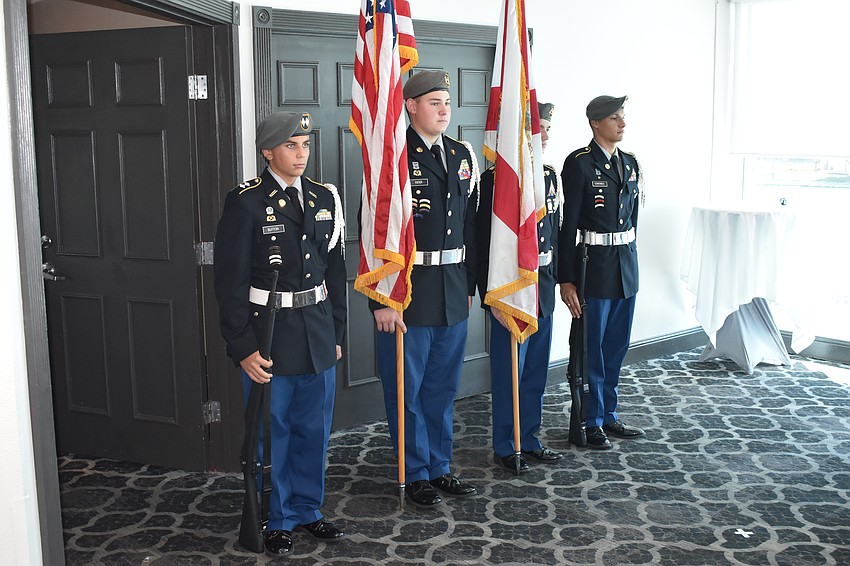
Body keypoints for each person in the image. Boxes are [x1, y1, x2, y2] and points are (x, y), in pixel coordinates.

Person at [213, 112, 347, 556]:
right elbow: (228, 282)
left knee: (315, 429)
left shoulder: (324, 197)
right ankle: (278, 515)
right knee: (275, 431)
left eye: (305, 145)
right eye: (291, 146)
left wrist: (338, 332)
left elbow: (335, 272)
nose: (301, 154)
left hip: (317, 330)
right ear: (268, 151)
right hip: (269, 335)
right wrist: (242, 346)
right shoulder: (246, 202)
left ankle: (309, 510)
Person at [368, 69, 479, 507]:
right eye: (434, 103)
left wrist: (468, 283)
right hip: (407, 291)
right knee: (406, 390)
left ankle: (439, 466)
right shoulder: (393, 158)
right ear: (411, 106)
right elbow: (376, 232)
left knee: (441, 389)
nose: (444, 110)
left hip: (452, 287)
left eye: (447, 103)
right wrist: (379, 298)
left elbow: (469, 224)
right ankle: (412, 470)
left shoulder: (460, 154)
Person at [476, 102, 564, 471]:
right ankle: (505, 444)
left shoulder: (549, 175)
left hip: (541, 284)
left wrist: (558, 282)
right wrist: (490, 295)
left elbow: (554, 238)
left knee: (535, 373)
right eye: (536, 128)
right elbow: (482, 243)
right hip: (510, 289)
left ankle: (529, 437)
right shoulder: (497, 180)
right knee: (509, 373)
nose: (543, 134)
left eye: (546, 127)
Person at [557, 95, 644, 450]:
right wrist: (566, 279)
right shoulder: (578, 164)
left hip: (625, 267)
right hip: (594, 268)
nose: (622, 124)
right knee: (591, 350)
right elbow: (568, 225)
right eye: (614, 118)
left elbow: (634, 218)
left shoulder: (631, 163)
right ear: (595, 123)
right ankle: (589, 421)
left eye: (623, 117)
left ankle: (608, 413)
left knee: (616, 347)